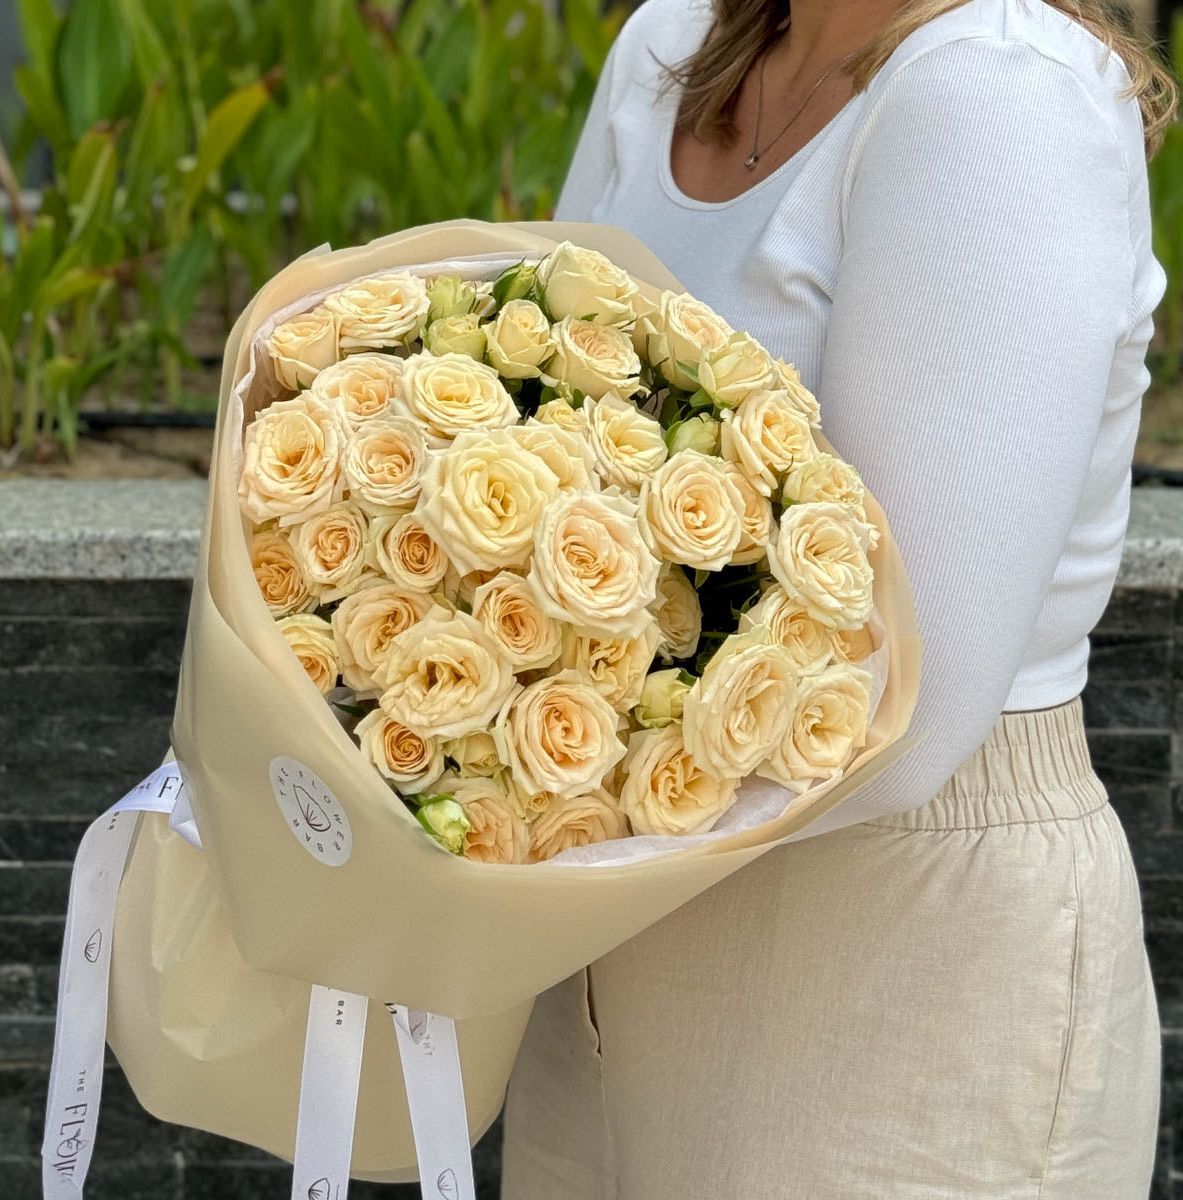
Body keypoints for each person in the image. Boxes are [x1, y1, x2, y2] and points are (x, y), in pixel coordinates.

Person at [500, 0, 1178, 1195]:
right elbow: (540, 420)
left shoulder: (994, 90)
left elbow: (898, 699)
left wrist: (510, 813)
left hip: (895, 944)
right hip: (611, 924)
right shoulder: (673, 41)